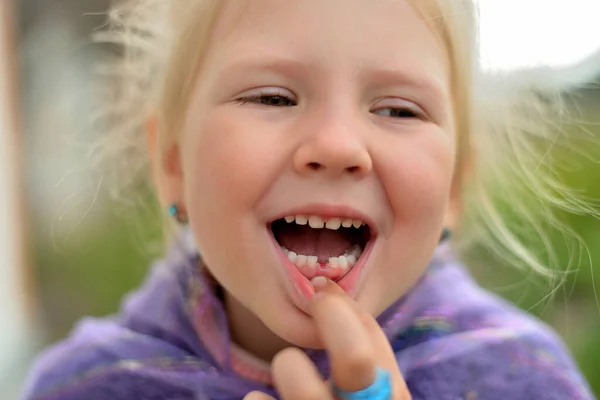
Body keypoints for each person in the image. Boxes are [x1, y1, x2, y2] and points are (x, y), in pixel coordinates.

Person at [22, 0, 596, 399]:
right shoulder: (84, 386)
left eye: (398, 110)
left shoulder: (519, 378)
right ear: (172, 164)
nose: (338, 145)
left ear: (453, 189)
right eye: (272, 97)